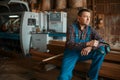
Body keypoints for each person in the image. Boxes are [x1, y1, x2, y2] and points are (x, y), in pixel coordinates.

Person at [57, 8, 107, 80]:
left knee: (101, 51)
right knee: (63, 77)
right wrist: (87, 43)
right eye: (85, 16)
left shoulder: (90, 29)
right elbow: (70, 44)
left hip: (84, 53)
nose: (88, 19)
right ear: (79, 18)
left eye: (89, 17)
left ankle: (91, 77)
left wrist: (90, 47)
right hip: (71, 53)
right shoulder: (71, 27)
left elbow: (102, 41)